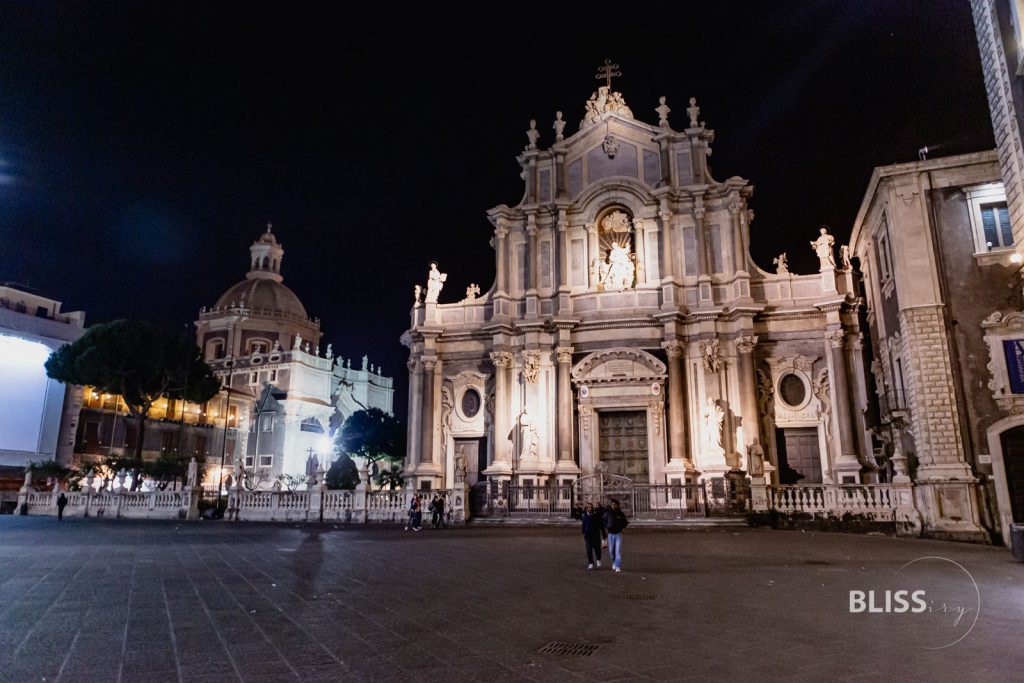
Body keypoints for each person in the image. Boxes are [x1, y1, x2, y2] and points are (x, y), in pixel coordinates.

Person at [603, 498, 629, 573]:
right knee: (611, 550)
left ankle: (617, 565)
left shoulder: (620, 513)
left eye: (615, 504)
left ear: (617, 505)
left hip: (618, 534)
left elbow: (625, 522)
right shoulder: (608, 512)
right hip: (610, 534)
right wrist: (607, 526)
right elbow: (604, 520)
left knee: (618, 550)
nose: (613, 506)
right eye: (612, 504)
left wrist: (621, 526)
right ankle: (614, 561)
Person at [581, 503, 604, 570]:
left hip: (596, 536)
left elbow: (601, 525)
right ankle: (591, 563)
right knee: (589, 550)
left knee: (597, 550)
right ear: (587, 508)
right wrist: (584, 532)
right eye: (589, 507)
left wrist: (603, 533)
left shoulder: (596, 515)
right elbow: (584, 524)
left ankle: (598, 559)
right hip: (588, 536)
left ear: (593, 508)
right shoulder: (585, 516)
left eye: (591, 507)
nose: (590, 508)